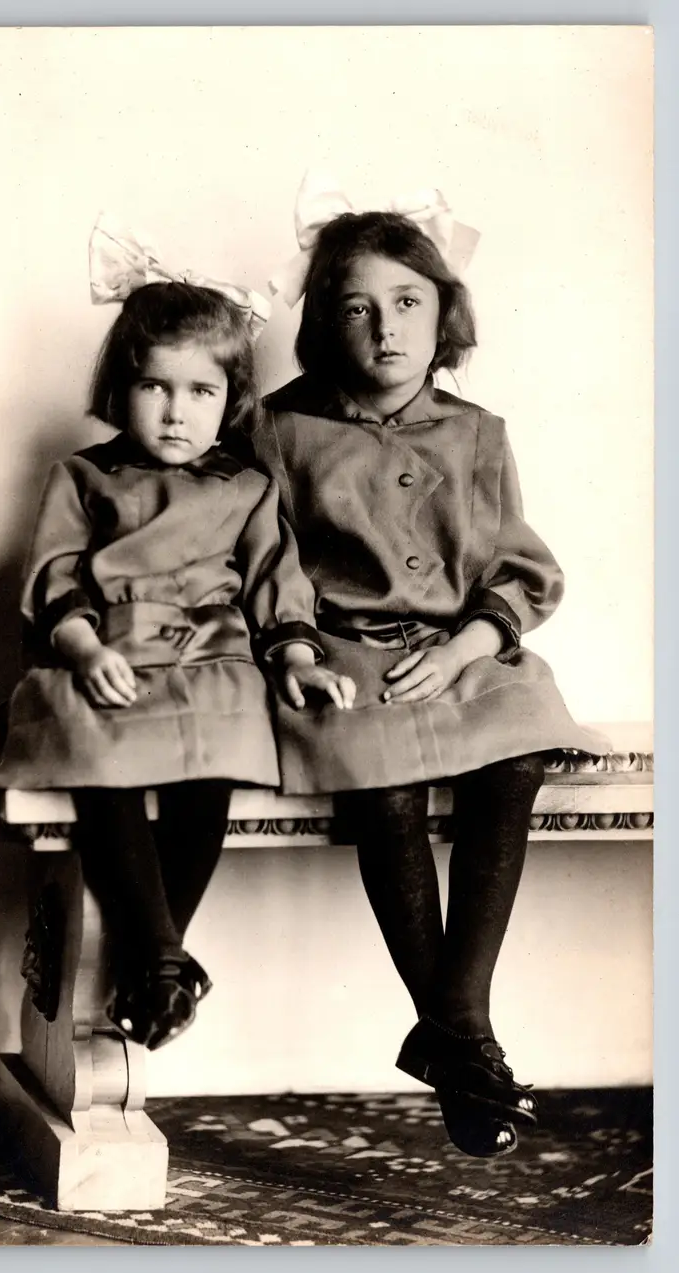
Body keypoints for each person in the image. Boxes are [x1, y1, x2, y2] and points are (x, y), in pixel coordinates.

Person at [0, 218, 354, 1052]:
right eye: (157, 387)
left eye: (202, 392)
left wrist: (295, 653)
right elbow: (56, 572)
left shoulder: (248, 487)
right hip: (109, 653)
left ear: (232, 400)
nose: (177, 411)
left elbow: (275, 583)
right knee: (99, 749)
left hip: (211, 659)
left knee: (217, 755)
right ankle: (160, 959)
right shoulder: (83, 477)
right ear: (121, 387)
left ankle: (154, 959)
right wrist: (82, 645)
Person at [256, 177, 607, 1157]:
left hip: (462, 650)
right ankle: (467, 1040)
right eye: (357, 308)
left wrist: (468, 643)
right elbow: (263, 559)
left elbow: (521, 565)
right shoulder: (279, 430)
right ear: (327, 323)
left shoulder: (477, 432)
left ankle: (454, 1020)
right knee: (387, 785)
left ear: (443, 313)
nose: (385, 330)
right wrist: (291, 644)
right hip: (343, 658)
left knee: (516, 754)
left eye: (407, 302)